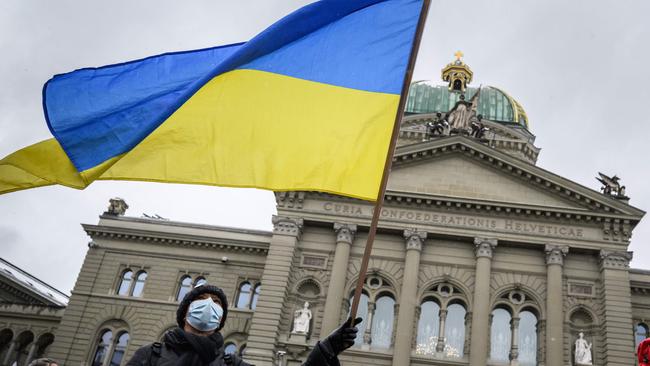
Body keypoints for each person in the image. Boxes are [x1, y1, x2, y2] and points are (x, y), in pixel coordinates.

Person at [126, 284, 361, 366]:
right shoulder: (150, 355)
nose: (209, 304)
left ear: (220, 319)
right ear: (186, 311)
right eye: (200, 299)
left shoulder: (231, 364)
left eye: (216, 302)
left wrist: (326, 350)